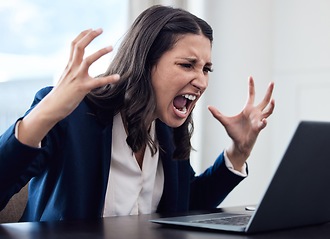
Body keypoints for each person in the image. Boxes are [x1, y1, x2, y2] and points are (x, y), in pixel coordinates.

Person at [0, 5, 274, 222]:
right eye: (188, 65)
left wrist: (238, 152)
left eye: (206, 69)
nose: (201, 81)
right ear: (145, 63)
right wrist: (46, 113)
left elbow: (185, 207)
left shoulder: (167, 128)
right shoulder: (73, 115)